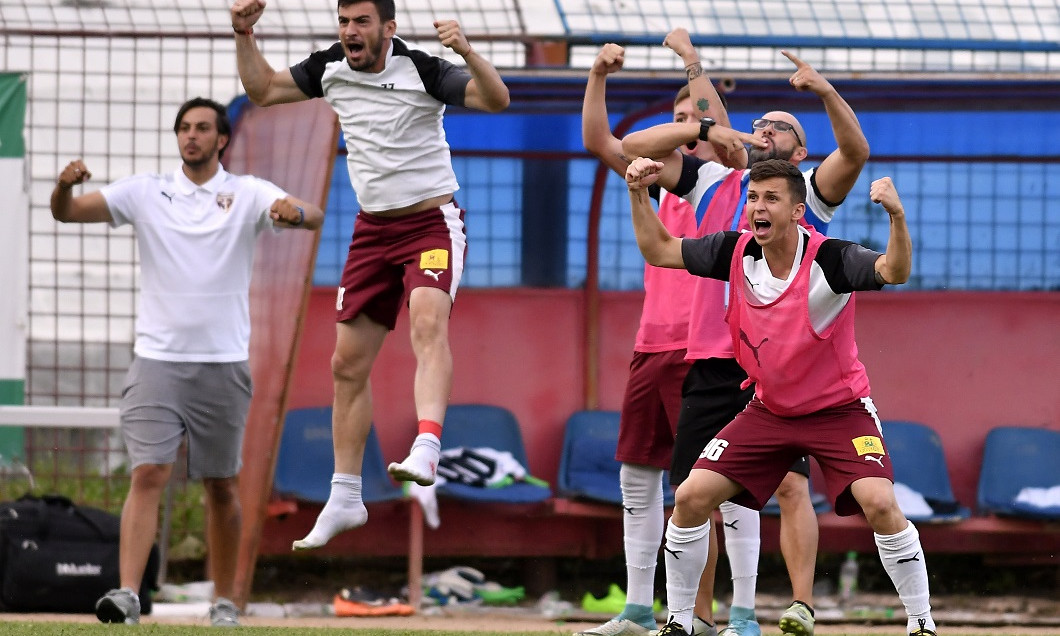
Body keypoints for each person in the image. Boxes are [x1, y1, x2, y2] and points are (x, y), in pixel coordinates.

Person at [228, 0, 510, 550]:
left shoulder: (424, 68)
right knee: (345, 364)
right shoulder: (329, 67)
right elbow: (262, 90)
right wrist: (244, 33)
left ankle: (427, 446)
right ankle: (346, 495)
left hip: (430, 224)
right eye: (344, 22)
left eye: (361, 22)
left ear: (388, 28)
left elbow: (497, 99)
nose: (350, 32)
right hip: (371, 233)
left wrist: (468, 52)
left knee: (427, 323)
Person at [626, 156, 937, 636]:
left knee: (879, 503)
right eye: (753, 197)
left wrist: (896, 216)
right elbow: (659, 249)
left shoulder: (831, 259)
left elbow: (893, 271)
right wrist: (636, 193)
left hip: (839, 411)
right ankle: (681, 623)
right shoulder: (735, 251)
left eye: (771, 198)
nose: (757, 207)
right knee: (689, 497)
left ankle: (921, 623)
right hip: (768, 409)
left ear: (797, 212)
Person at [622, 50, 871, 636]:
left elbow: (856, 151)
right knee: (692, 495)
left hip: (783, 369)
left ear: (800, 151)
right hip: (711, 357)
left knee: (790, 485)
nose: (764, 130)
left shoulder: (811, 190)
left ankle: (798, 605)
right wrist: (705, 126)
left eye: (780, 126)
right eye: (757, 125)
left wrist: (823, 90)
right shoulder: (716, 180)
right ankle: (694, 620)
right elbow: (633, 146)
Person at [49, 97, 324, 626]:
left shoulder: (246, 193)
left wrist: (295, 214)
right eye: (184, 128)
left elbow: (307, 213)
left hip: (222, 365)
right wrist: (65, 186)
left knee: (220, 485)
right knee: (149, 471)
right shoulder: (146, 192)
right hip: (157, 361)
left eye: (202, 128)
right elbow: (66, 213)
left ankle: (225, 602)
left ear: (222, 139)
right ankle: (127, 594)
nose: (191, 136)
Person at [578, 34, 755, 636]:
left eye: (694, 118)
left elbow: (718, 127)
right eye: (676, 118)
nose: (685, 126)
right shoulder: (657, 176)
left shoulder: (725, 181)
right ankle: (635, 606)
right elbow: (605, 142)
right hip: (650, 343)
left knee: (699, 486)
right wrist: (598, 74)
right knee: (636, 473)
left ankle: (706, 615)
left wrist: (692, 70)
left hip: (703, 350)